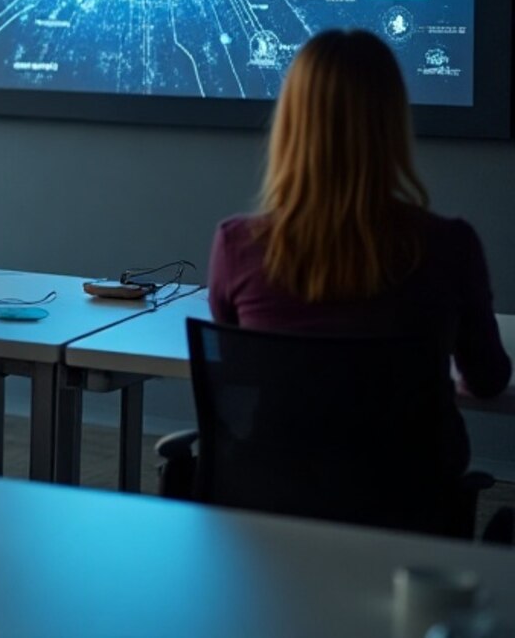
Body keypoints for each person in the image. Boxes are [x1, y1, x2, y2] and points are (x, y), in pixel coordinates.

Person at [209, 28, 509, 472]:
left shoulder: (238, 245)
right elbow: (487, 378)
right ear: (391, 124)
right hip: (413, 513)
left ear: (291, 124)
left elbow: (241, 367)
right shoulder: (451, 246)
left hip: (274, 505)